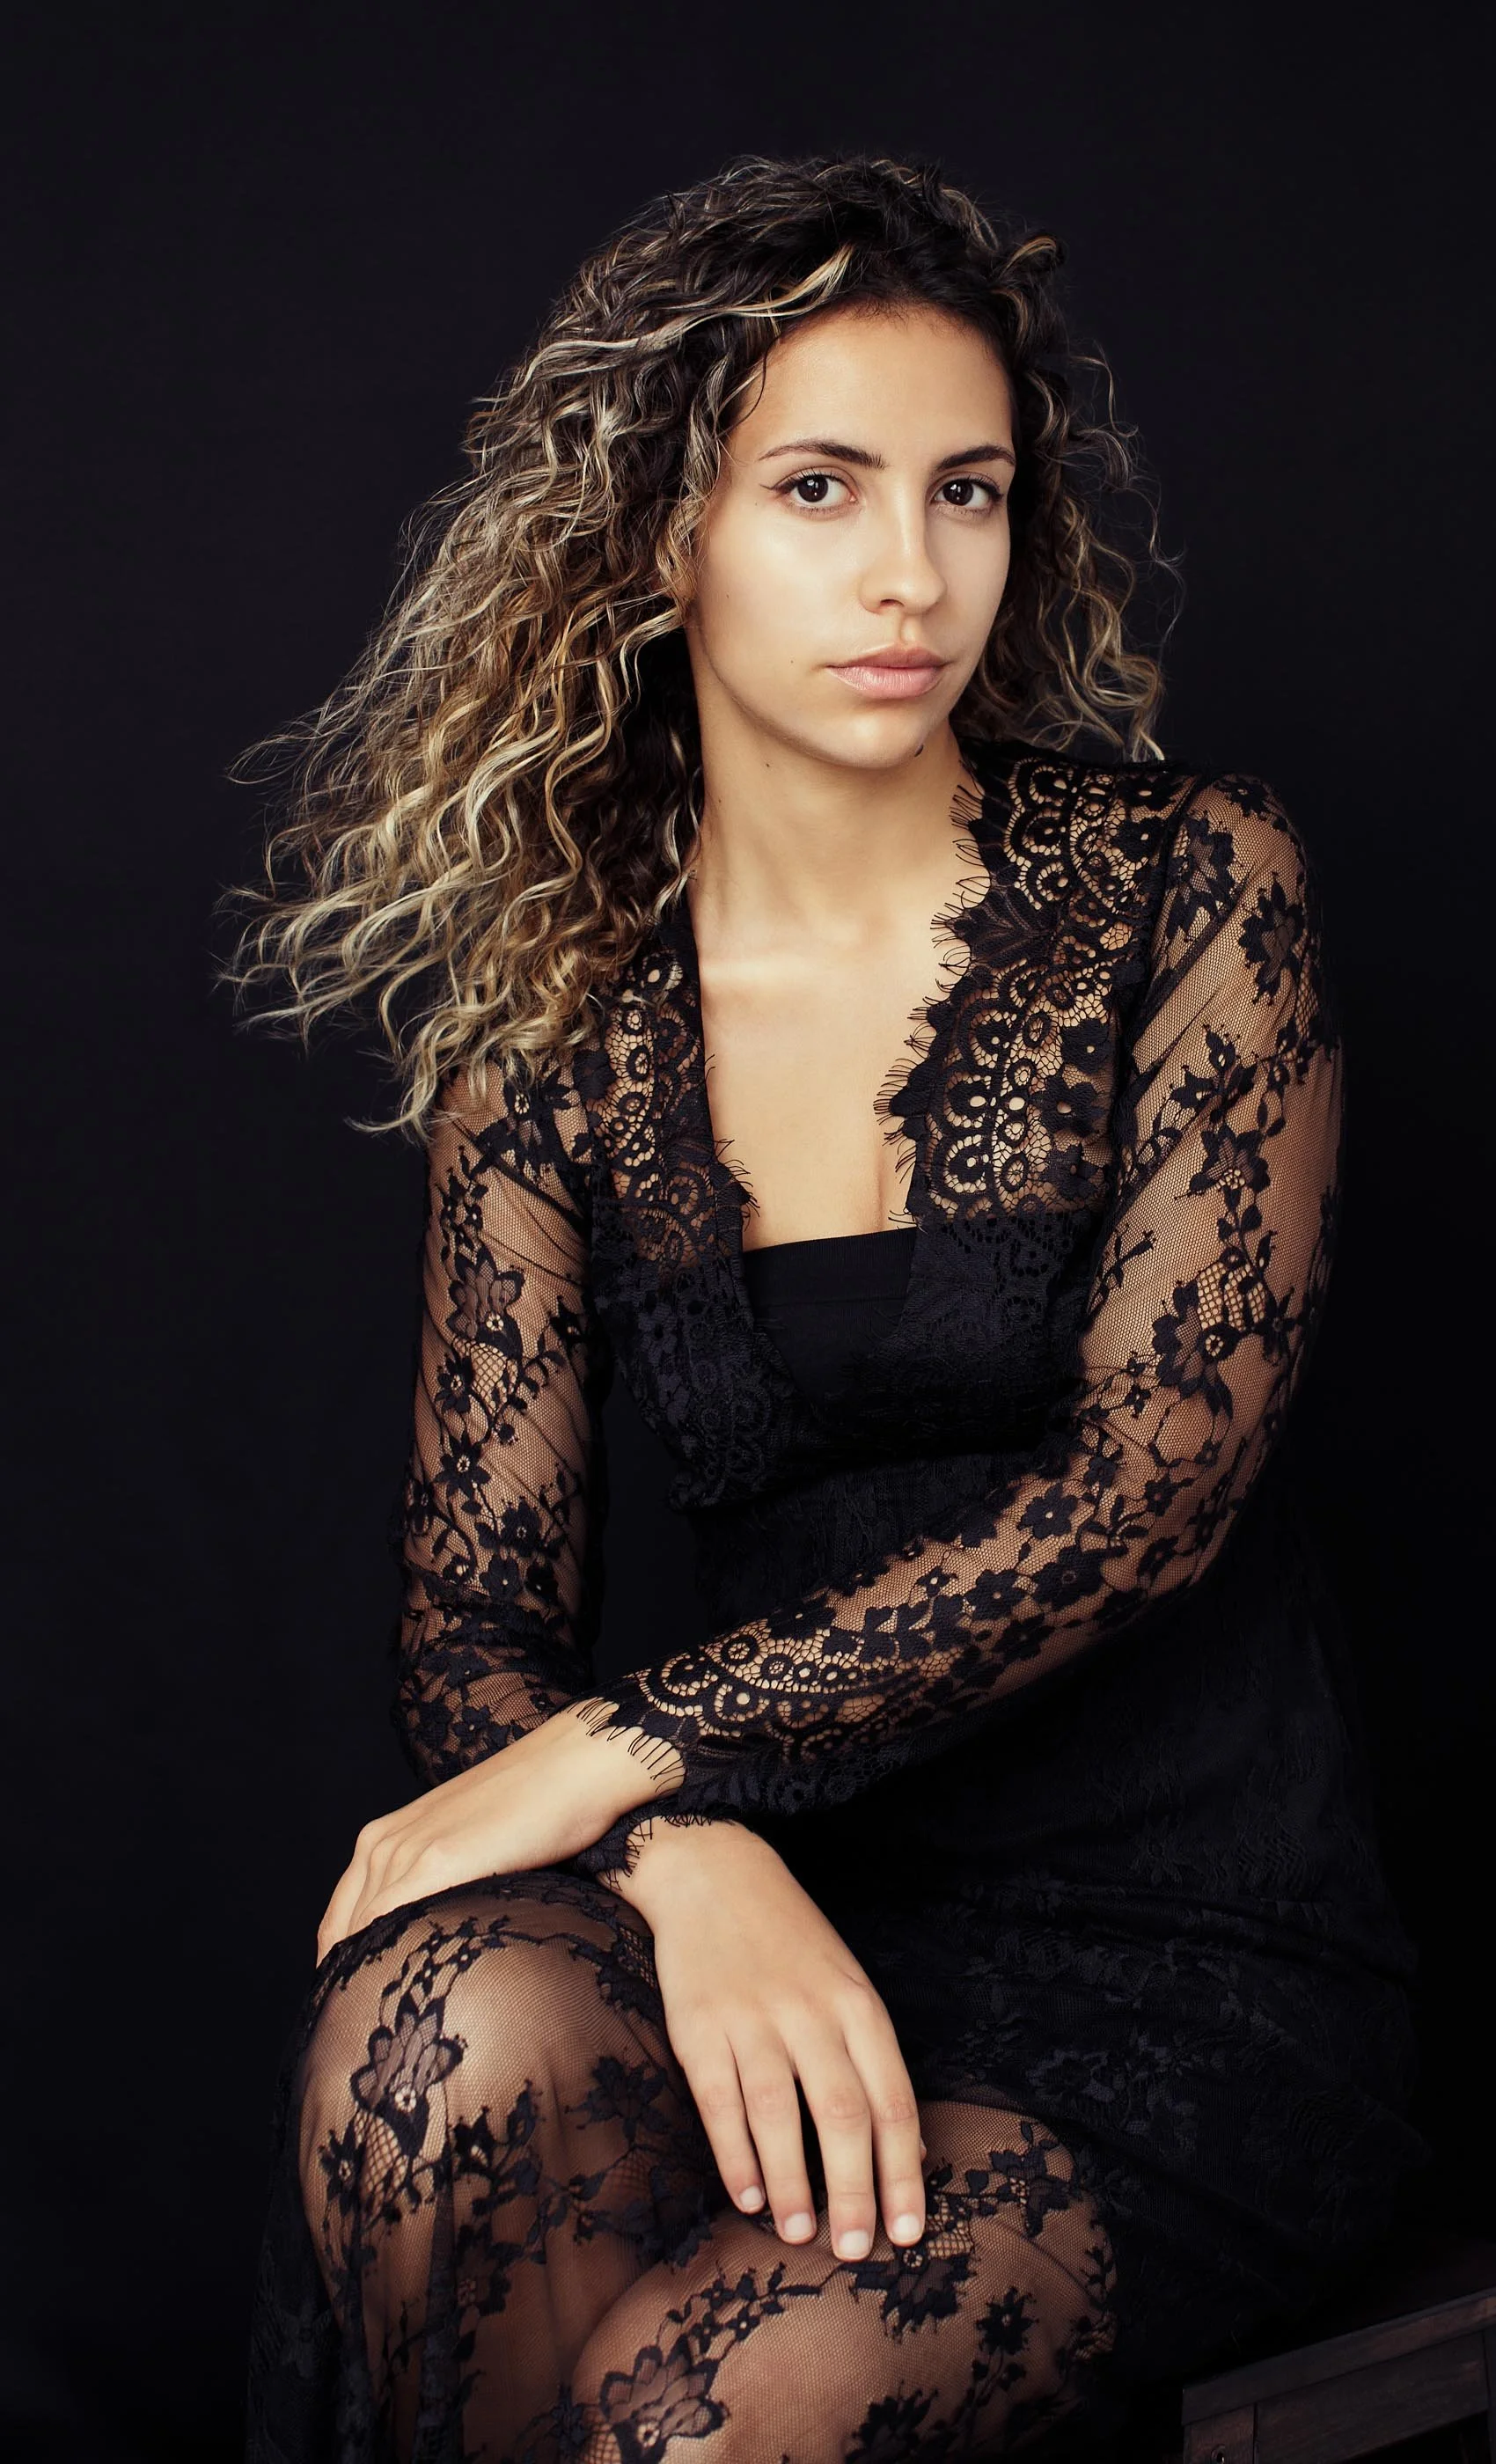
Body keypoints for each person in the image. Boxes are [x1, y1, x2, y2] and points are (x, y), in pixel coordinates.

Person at [229, 152, 1427, 2464]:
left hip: (1186, 1964)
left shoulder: (1193, 890)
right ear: (659, 532)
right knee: (439, 2044)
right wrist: (695, 1849)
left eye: (967, 491)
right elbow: (471, 1629)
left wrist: (632, 1745)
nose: (913, 572)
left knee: (705, 2421)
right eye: (821, 488)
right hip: (790, 1917)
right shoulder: (562, 1021)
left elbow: (1144, 1499)